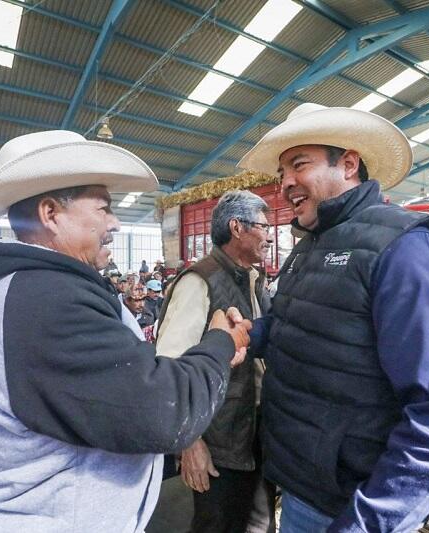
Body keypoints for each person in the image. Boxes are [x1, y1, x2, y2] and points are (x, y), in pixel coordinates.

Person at [0, 129, 252, 531]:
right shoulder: (46, 298)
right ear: (51, 213)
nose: (115, 223)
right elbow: (162, 414)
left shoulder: (36, 288)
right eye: (103, 209)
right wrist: (218, 343)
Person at [238, 103, 429, 532]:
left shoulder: (409, 249)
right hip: (302, 486)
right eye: (281, 174)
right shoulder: (312, 245)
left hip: (351, 507)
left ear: (348, 164)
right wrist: (250, 335)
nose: (285, 183)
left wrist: (367, 522)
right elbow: (299, 324)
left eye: (299, 165)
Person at [156, 190, 276, 533]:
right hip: (218, 443)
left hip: (255, 435)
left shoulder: (254, 280)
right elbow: (170, 370)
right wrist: (190, 442)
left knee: (258, 523)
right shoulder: (199, 281)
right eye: (263, 226)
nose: (269, 235)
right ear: (237, 228)